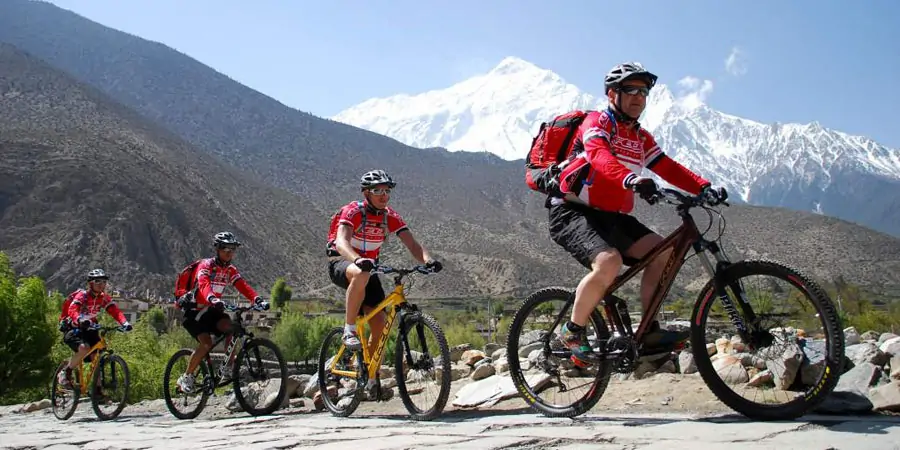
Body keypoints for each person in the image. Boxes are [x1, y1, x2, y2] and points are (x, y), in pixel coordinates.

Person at [549, 62, 727, 365]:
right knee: (609, 262)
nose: (638, 97)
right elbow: (599, 156)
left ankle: (648, 331)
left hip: (612, 216)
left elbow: (667, 167)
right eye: (630, 89)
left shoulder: (640, 138)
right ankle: (572, 331)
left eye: (643, 91)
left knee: (664, 252)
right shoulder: (597, 122)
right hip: (571, 212)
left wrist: (703, 187)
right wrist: (630, 178)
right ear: (611, 94)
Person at [326, 169, 443, 354]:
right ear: (366, 193)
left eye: (387, 191)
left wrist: (429, 260)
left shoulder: (390, 216)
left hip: (368, 269)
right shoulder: (353, 211)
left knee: (380, 326)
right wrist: (357, 259)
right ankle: (349, 330)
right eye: (378, 191)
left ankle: (371, 377)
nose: (384, 195)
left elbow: (412, 244)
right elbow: (341, 242)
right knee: (360, 273)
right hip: (342, 263)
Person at [176, 231, 269, 394]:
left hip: (212, 309)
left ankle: (227, 367)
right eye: (226, 249)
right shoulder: (206, 266)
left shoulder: (230, 270)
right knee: (206, 343)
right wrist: (212, 298)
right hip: (194, 310)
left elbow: (243, 286)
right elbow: (204, 285)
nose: (229, 253)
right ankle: (187, 376)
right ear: (218, 249)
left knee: (232, 328)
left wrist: (257, 299)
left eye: (232, 250)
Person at [57, 269, 132, 388]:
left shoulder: (104, 298)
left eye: (104, 281)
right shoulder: (82, 295)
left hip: (89, 328)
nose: (101, 284)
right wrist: (79, 319)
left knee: (96, 356)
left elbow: (115, 311)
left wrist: (125, 323)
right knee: (84, 348)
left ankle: (97, 391)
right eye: (98, 281)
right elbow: (72, 309)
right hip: (73, 327)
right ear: (90, 283)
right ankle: (65, 372)